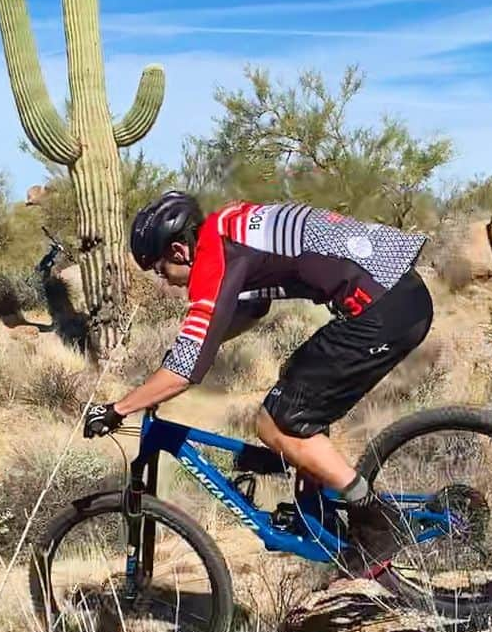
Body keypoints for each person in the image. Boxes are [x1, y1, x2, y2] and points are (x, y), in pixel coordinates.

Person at [82, 191, 434, 577]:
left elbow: (187, 369)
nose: (164, 281)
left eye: (160, 269)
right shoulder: (229, 230)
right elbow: (251, 309)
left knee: (274, 423)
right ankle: (315, 508)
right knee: (296, 379)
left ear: (180, 250)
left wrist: (117, 409)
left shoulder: (216, 258)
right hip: (399, 294)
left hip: (382, 309)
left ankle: (376, 523)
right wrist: (191, 354)